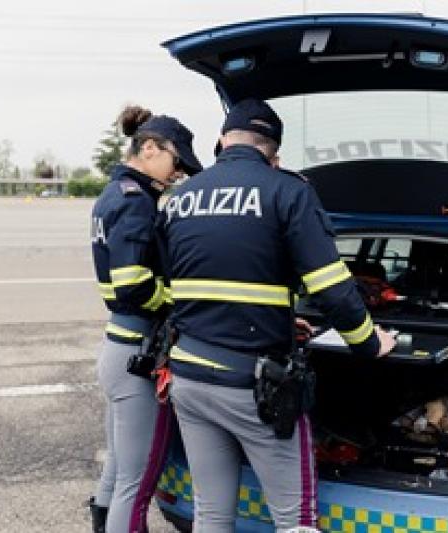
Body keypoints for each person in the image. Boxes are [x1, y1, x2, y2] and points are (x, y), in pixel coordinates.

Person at [160, 98, 396, 533]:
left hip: (189, 378)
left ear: (221, 142)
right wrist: (368, 341)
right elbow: (333, 291)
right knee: (295, 520)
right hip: (252, 387)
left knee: (211, 513)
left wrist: (278, 318)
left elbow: (192, 280)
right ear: (275, 155)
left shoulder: (180, 198)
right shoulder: (286, 191)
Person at [89, 105, 202, 533]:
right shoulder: (137, 204)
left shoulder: (114, 193)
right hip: (138, 351)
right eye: (178, 162)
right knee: (136, 485)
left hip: (118, 346)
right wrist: (187, 300)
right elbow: (134, 286)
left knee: (119, 467)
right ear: (150, 148)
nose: (180, 174)